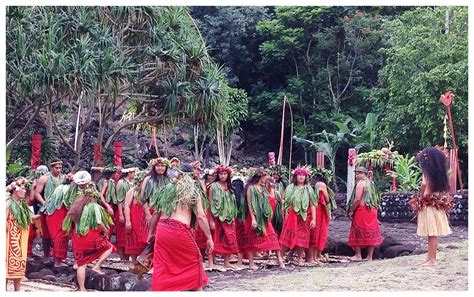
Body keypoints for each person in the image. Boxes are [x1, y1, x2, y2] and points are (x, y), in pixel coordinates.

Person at [149, 163, 213, 291]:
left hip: (162, 229)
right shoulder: (193, 191)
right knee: (195, 259)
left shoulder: (166, 189)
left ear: (179, 174)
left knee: (163, 263)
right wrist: (209, 237)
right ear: (192, 176)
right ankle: (196, 290)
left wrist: (151, 232)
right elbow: (200, 216)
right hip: (178, 230)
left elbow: (156, 213)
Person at [62, 184, 115, 291]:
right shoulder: (94, 206)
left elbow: (70, 224)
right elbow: (99, 223)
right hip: (90, 237)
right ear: (93, 197)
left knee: (82, 264)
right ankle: (97, 266)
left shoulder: (76, 206)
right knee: (109, 247)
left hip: (78, 238)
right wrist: (105, 231)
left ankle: (82, 289)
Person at [409, 147, 453, 266]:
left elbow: (426, 188)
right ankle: (429, 258)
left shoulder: (428, 172)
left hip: (430, 206)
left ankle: (432, 260)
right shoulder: (439, 173)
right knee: (431, 234)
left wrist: (421, 195)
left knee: (432, 234)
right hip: (436, 205)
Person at [242, 169, 284, 269]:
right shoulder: (250, 188)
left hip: (264, 218)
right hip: (253, 217)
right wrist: (253, 219)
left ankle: (280, 260)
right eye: (266, 176)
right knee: (251, 238)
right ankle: (251, 263)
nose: (267, 178)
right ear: (261, 177)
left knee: (272, 235)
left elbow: (270, 200)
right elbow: (249, 203)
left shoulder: (263, 188)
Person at [279, 166, 316, 266]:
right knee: (287, 236)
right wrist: (285, 212)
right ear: (295, 176)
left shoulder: (309, 189)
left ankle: (300, 259)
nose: (301, 177)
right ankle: (280, 257)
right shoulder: (290, 187)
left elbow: (312, 204)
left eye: (303, 175)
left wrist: (314, 219)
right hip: (292, 216)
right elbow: (283, 200)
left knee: (302, 238)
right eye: (299, 175)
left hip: (304, 217)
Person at [346, 166, 383, 261]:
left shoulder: (361, 184)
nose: (356, 175)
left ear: (362, 174)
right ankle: (369, 256)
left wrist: (351, 210)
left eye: (357, 173)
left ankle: (358, 255)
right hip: (372, 210)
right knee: (371, 230)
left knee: (357, 230)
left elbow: (357, 199)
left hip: (362, 210)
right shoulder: (371, 184)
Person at [208, 165, 239, 270]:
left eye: (225, 174)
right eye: (221, 174)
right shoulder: (213, 186)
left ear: (228, 175)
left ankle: (226, 262)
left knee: (228, 238)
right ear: (218, 175)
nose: (222, 176)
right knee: (214, 238)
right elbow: (210, 202)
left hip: (229, 217)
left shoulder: (229, 186)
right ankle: (210, 263)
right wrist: (211, 220)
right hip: (217, 217)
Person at [34, 160, 65, 264]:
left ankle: (58, 257)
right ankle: (46, 255)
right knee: (46, 235)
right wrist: (45, 203)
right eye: (56, 168)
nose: (59, 170)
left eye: (60, 168)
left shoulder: (63, 178)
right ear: (52, 168)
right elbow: (37, 193)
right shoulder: (44, 178)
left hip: (61, 208)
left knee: (59, 233)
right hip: (47, 209)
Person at [6, 178, 32, 291]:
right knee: (7, 265)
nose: (25, 191)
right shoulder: (7, 203)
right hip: (9, 239)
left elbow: (29, 218)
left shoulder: (22, 204)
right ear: (15, 190)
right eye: (22, 188)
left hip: (21, 239)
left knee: (20, 262)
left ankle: (17, 290)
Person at [308, 170, 336, 263]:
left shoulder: (309, 184)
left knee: (313, 233)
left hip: (310, 209)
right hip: (318, 211)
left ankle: (314, 257)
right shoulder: (321, 184)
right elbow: (327, 199)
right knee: (318, 233)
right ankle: (313, 257)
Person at [124, 170, 148, 268]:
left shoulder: (148, 191)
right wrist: (128, 221)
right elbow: (126, 206)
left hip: (144, 219)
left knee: (146, 239)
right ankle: (133, 262)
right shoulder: (132, 191)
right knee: (133, 238)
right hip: (134, 218)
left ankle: (144, 262)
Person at [115, 165, 137, 260]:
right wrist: (120, 214)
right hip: (122, 210)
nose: (135, 174)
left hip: (131, 210)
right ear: (129, 172)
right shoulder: (121, 182)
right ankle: (122, 258)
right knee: (121, 234)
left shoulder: (134, 183)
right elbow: (119, 200)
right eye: (134, 172)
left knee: (128, 234)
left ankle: (128, 257)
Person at [26, 165, 49, 256]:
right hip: (30, 206)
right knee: (31, 229)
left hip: (36, 206)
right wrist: (33, 187)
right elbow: (31, 198)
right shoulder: (34, 182)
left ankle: (29, 250)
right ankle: (28, 251)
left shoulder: (38, 181)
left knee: (36, 229)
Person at [141, 158, 170, 224]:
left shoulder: (168, 180)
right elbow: (143, 198)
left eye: (162, 166)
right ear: (154, 167)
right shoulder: (148, 179)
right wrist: (147, 214)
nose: (160, 168)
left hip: (165, 212)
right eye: (157, 166)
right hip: (151, 210)